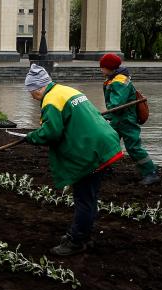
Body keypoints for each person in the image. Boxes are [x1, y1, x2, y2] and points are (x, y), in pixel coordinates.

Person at [22, 64, 124, 256]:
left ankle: (76, 240)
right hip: (103, 145)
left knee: (84, 198)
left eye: (31, 91)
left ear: (39, 87)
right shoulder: (66, 90)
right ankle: (82, 234)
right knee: (89, 196)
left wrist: (32, 137)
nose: (31, 96)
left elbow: (51, 132)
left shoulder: (51, 100)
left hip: (91, 151)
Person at [99, 53, 160, 185]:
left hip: (126, 120)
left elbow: (117, 104)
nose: (100, 70)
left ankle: (151, 173)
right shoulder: (114, 78)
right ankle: (104, 169)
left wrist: (104, 113)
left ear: (109, 67)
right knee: (106, 142)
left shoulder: (119, 82)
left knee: (133, 147)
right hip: (117, 119)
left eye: (102, 67)